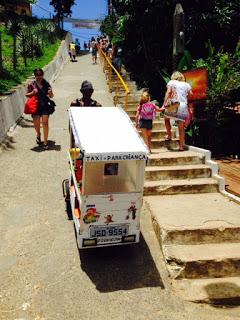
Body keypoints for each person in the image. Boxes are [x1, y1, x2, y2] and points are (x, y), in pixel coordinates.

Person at [162, 71, 193, 151]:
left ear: (173, 77)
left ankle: (169, 135)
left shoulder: (172, 82)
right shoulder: (186, 84)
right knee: (181, 127)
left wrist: (165, 102)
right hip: (183, 105)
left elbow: (168, 92)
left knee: (166, 119)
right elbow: (191, 94)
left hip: (174, 104)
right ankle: (181, 146)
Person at [26, 68, 54, 150]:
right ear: (35, 75)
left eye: (40, 74)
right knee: (36, 124)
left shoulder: (46, 84)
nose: (39, 76)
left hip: (45, 105)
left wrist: (50, 93)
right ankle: (38, 134)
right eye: (37, 75)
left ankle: (45, 142)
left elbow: (52, 96)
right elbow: (27, 95)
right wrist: (32, 92)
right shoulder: (31, 84)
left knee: (45, 123)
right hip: (35, 106)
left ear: (42, 75)